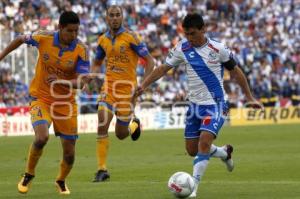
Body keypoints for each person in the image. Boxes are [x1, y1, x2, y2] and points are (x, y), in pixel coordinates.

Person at [135, 13, 263, 197]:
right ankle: (224, 153)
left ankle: (193, 186)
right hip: (194, 106)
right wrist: (144, 85)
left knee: (204, 142)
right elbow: (163, 68)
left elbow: (236, 72)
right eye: (186, 34)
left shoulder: (218, 49)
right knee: (192, 150)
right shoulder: (182, 48)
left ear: (203, 29)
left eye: (193, 33)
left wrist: (249, 97)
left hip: (216, 104)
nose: (189, 38)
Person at [0, 11, 90, 195]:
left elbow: (82, 82)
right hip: (41, 98)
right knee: (41, 137)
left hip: (65, 104)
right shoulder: (44, 37)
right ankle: (28, 174)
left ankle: (61, 180)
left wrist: (60, 81)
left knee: (70, 154)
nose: (74, 35)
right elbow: (19, 38)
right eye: (70, 31)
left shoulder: (81, 49)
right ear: (60, 28)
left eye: (76, 31)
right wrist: (1, 56)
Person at [91, 5, 154, 182]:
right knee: (102, 124)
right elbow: (96, 62)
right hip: (109, 88)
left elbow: (150, 61)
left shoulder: (131, 37)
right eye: (111, 15)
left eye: (118, 15)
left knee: (120, 134)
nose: (115, 18)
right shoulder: (102, 40)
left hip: (128, 91)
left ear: (122, 17)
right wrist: (93, 75)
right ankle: (102, 169)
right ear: (106, 18)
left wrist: (144, 83)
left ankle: (134, 125)